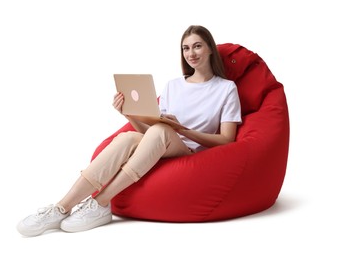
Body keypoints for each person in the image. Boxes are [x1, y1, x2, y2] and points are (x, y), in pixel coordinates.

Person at [17, 25, 242, 237]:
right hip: (162, 141)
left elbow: (227, 140)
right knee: (127, 138)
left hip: (189, 151)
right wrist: (128, 114)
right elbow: (152, 131)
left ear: (210, 49)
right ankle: (61, 207)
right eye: (186, 48)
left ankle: (101, 202)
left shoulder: (225, 89)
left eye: (197, 46)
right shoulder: (174, 85)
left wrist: (183, 130)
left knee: (161, 130)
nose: (191, 53)